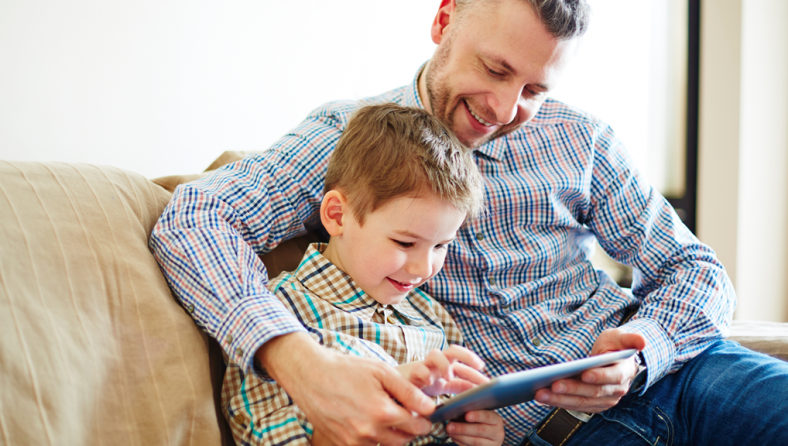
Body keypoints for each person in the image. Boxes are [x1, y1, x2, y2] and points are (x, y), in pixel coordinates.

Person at [150, 0, 788, 445]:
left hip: (685, 380)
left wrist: (645, 350)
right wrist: (297, 361)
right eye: (495, 69)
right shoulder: (352, 139)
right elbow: (198, 218)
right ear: (443, 19)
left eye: (534, 90)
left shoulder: (579, 138)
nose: (506, 110)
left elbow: (693, 267)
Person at [221, 103, 504, 446]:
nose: (423, 268)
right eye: (405, 242)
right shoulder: (279, 312)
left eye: (441, 245)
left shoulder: (432, 316)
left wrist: (479, 433)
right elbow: (266, 434)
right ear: (337, 216)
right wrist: (384, 396)